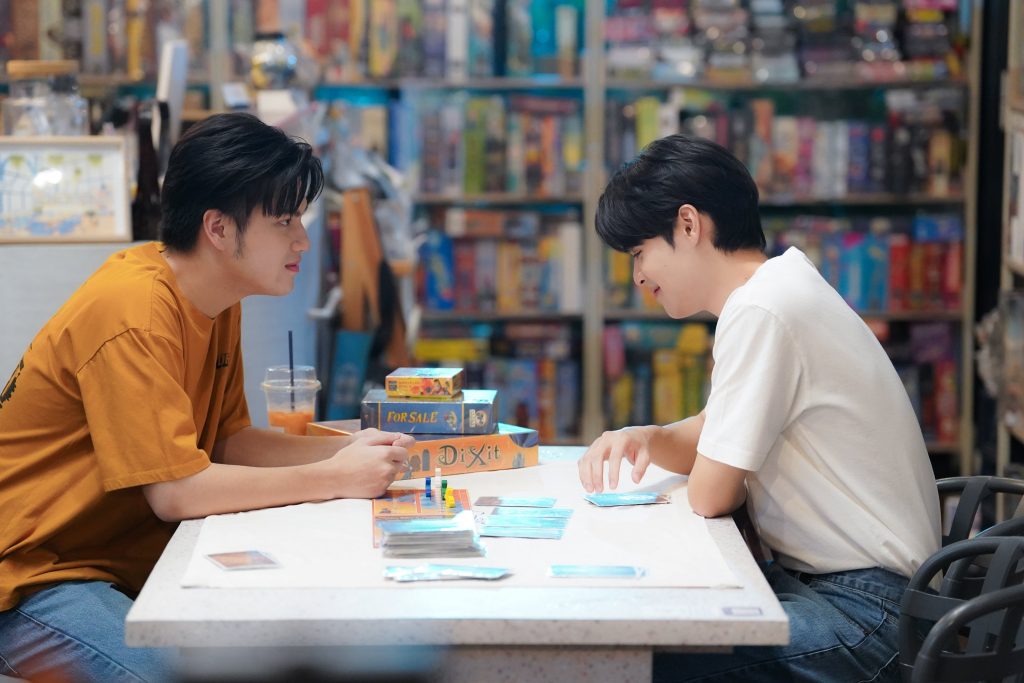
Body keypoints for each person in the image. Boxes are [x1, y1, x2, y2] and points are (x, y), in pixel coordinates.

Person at [0, 113, 414, 683]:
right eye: (284, 220)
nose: (303, 240)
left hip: (114, 563)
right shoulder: (135, 312)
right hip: (29, 579)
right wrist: (338, 477)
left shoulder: (210, 297)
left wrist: (341, 450)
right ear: (218, 229)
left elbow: (227, 441)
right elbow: (177, 490)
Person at [578, 134, 939, 682]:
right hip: (851, 593)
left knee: (636, 657)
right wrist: (648, 437)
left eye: (638, 253)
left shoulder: (762, 309)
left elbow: (710, 493)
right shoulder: (780, 286)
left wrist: (690, 458)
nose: (639, 278)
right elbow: (716, 430)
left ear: (689, 225)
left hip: (869, 613)